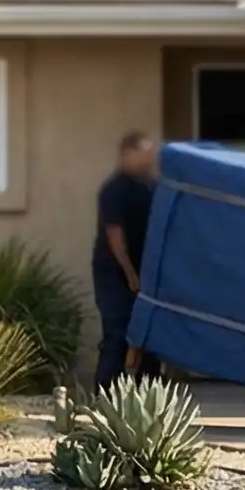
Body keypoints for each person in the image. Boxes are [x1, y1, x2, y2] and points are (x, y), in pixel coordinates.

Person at [93, 131, 160, 389]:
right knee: (117, 333)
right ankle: (106, 396)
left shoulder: (152, 188)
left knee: (152, 338)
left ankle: (151, 396)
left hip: (147, 274)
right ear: (127, 154)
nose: (148, 160)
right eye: (143, 154)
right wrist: (131, 274)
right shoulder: (114, 190)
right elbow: (115, 235)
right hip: (114, 273)